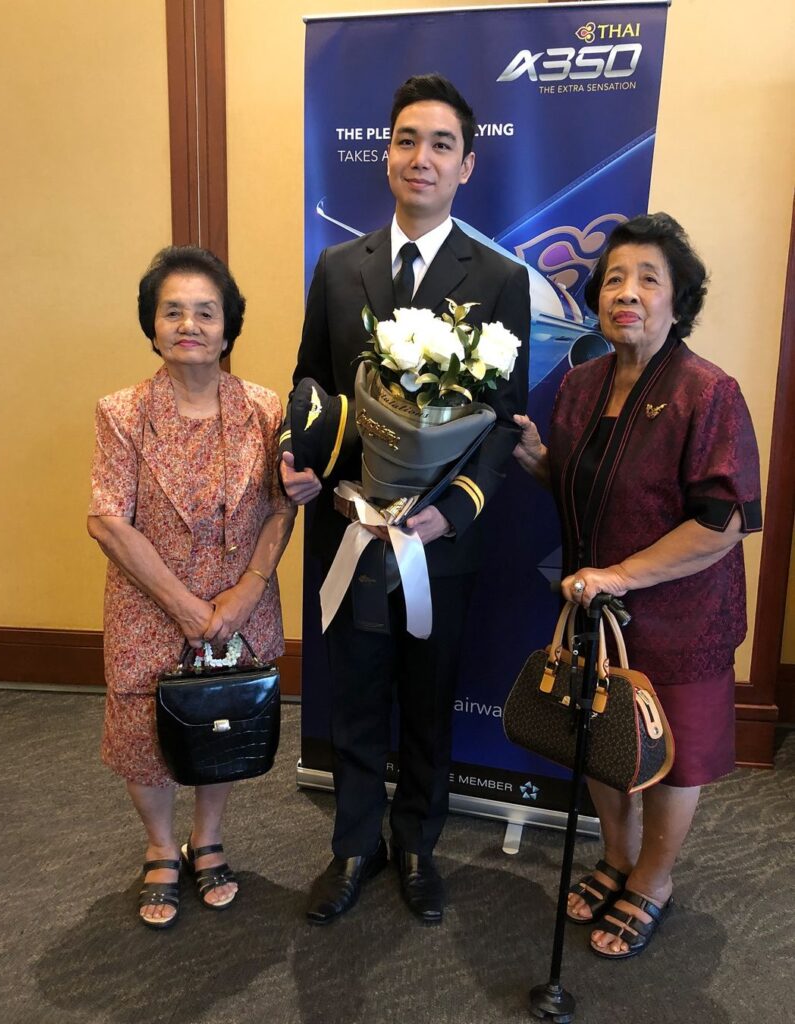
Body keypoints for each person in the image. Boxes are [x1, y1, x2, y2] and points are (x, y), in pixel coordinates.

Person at [281, 74, 531, 926]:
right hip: (351, 524)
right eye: (405, 140)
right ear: (384, 154)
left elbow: (503, 418)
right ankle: (355, 844)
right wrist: (302, 460)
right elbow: (312, 385)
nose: (420, 157)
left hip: (438, 538)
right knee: (353, 693)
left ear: (467, 164)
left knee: (428, 696)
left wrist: (452, 508)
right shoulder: (336, 268)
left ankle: (417, 843)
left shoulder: (497, 278)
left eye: (440, 144)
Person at [513, 213, 761, 959]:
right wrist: (541, 462)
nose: (626, 293)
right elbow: (591, 488)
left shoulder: (707, 392)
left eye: (648, 279)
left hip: (681, 614)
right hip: (597, 610)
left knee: (670, 754)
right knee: (604, 736)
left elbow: (722, 521)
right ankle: (616, 859)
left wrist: (621, 574)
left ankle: (653, 879)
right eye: (614, 279)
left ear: (678, 301)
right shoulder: (581, 384)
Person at [88, 246, 295, 929]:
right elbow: (107, 520)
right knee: (142, 730)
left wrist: (247, 593)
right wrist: (182, 606)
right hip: (149, 604)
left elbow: (282, 506)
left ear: (228, 328)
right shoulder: (121, 412)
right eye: (172, 311)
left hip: (239, 602)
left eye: (206, 312)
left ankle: (207, 839)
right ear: (151, 327)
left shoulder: (264, 408)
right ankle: (159, 846)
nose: (189, 325)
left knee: (221, 719)